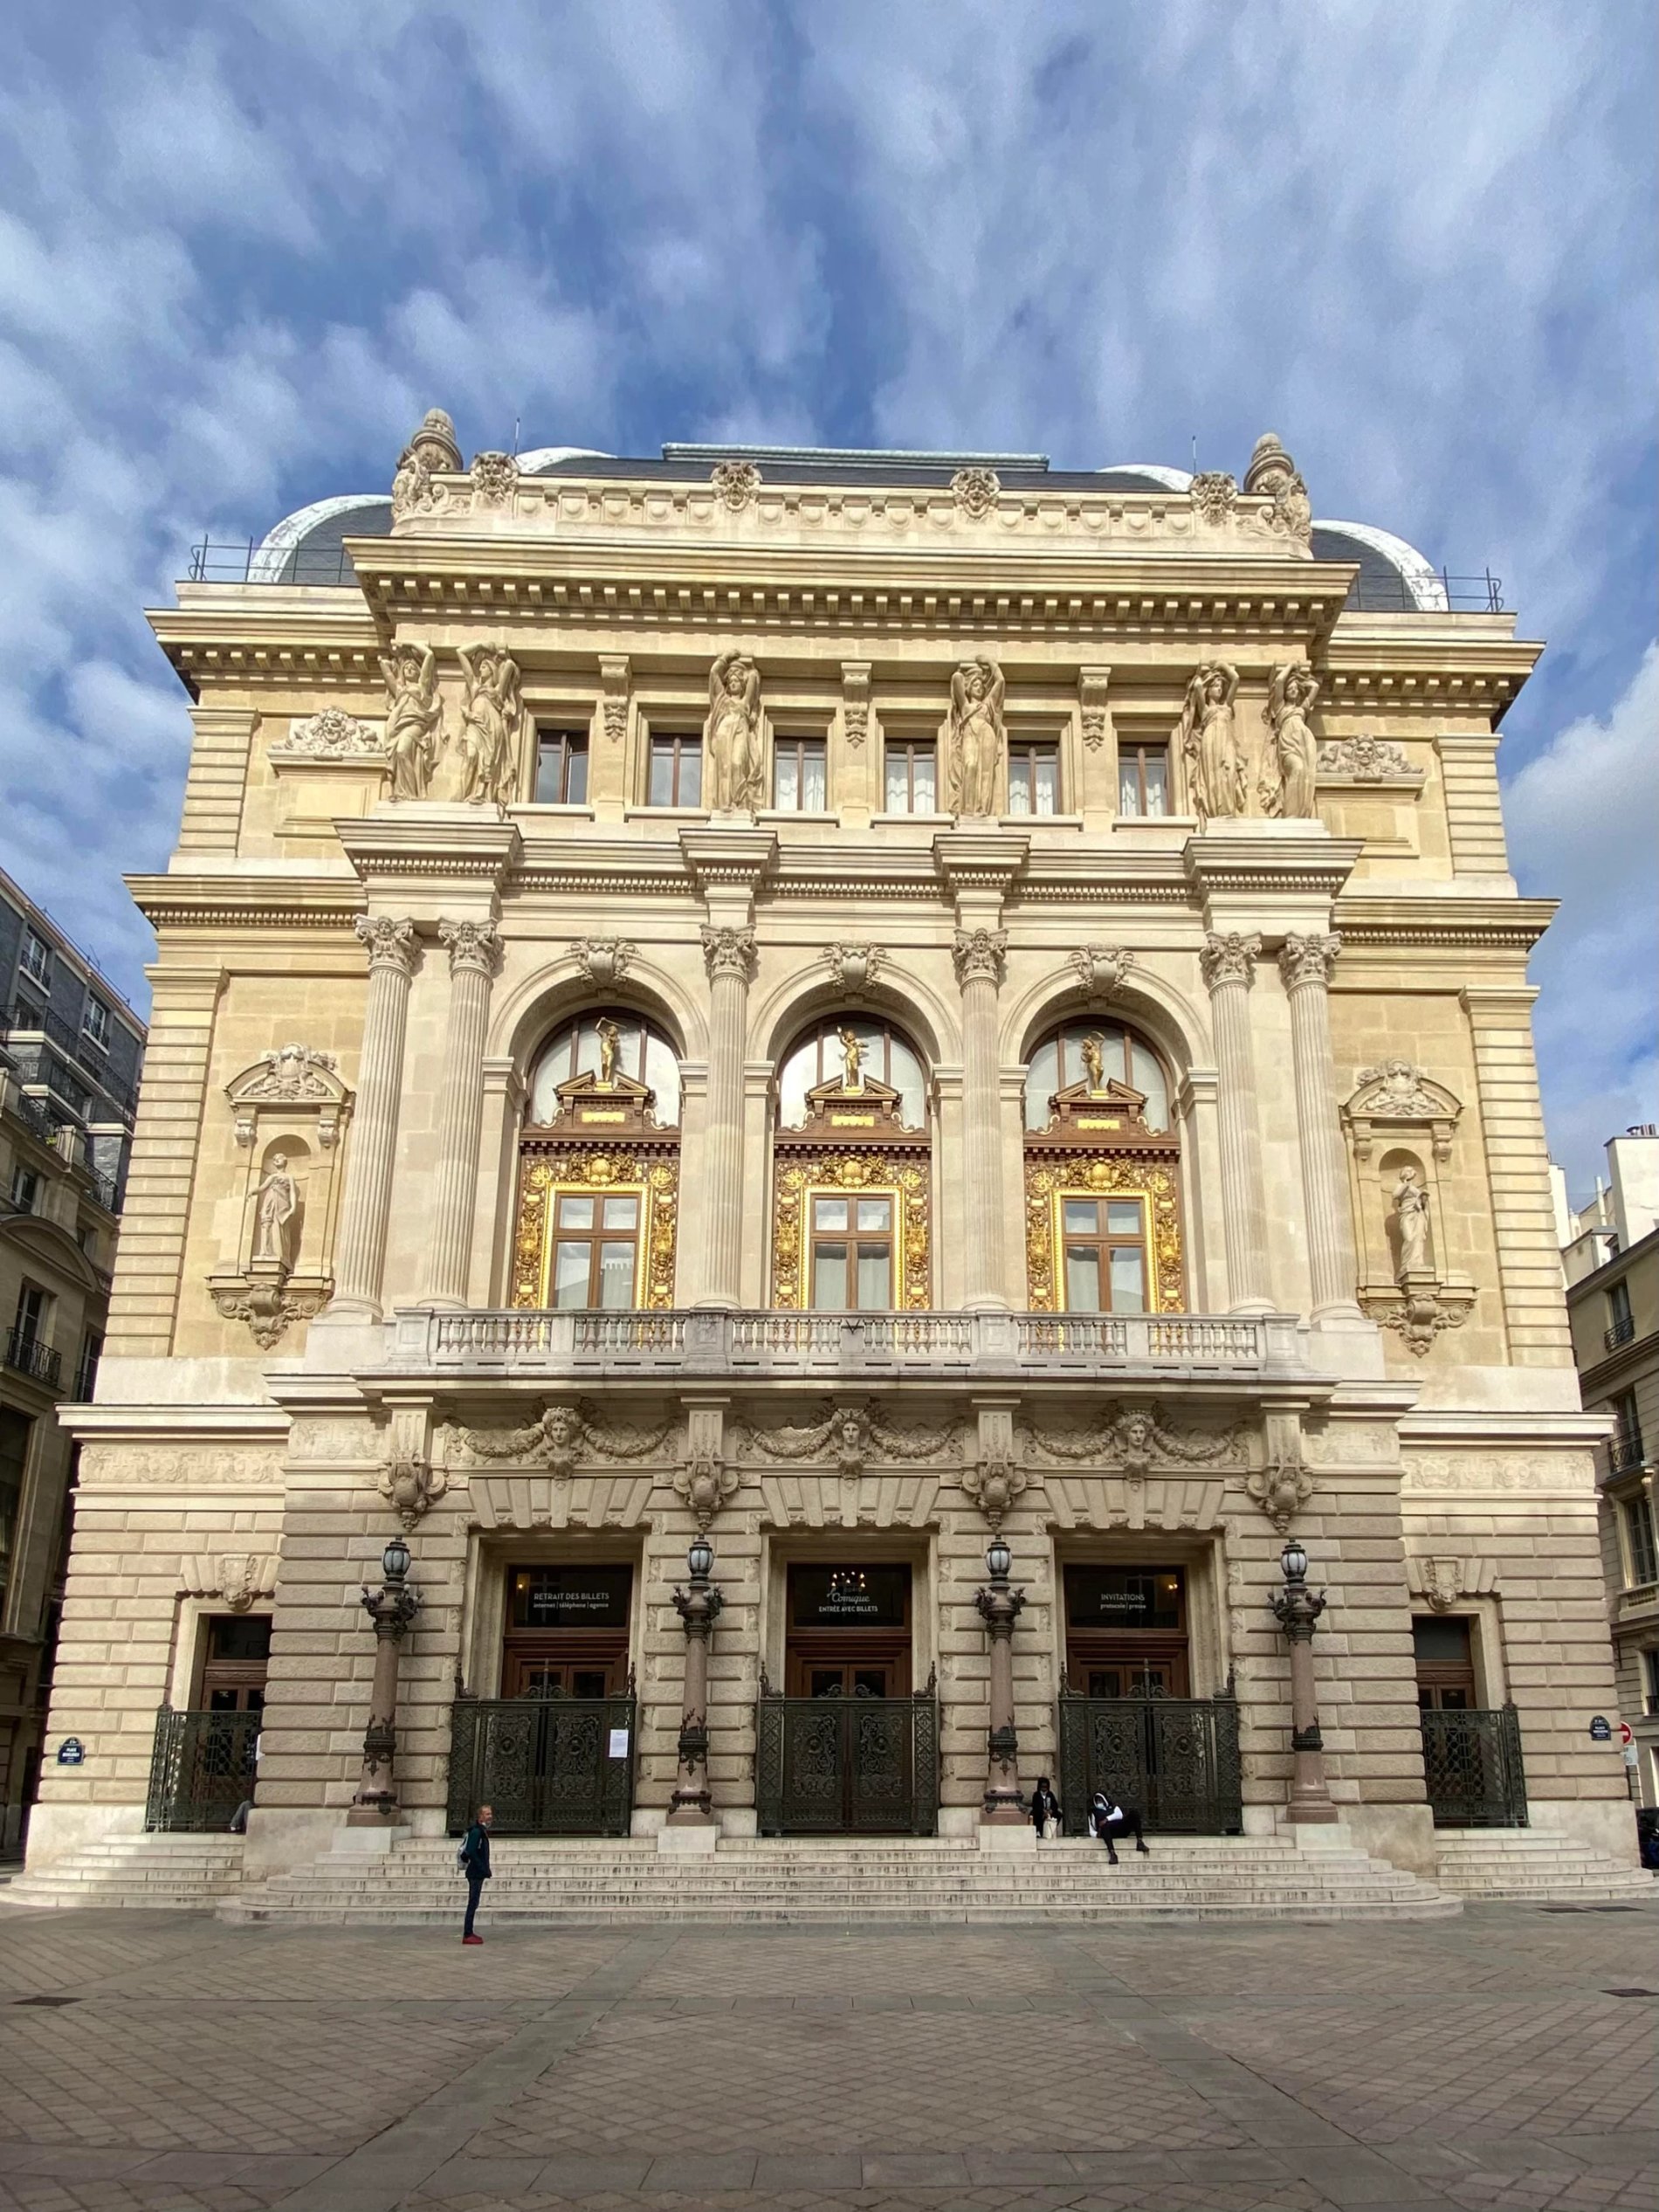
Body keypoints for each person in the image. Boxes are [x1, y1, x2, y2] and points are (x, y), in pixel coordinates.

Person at [458, 1803, 493, 1943]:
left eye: (490, 1814)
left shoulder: (481, 1831)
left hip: (478, 1871)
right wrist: (481, 1867)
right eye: (487, 1814)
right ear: (480, 1817)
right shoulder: (477, 1832)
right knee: (473, 1902)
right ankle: (468, 1934)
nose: (490, 1816)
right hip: (475, 1872)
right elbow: (471, 1851)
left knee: (474, 1902)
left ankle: (469, 1932)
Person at [1089, 1789, 1150, 1865]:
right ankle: (1112, 1854)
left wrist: (1107, 1819)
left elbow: (1119, 1815)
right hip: (1109, 1832)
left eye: (1101, 1799)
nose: (1099, 1802)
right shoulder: (1094, 1813)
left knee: (1134, 1814)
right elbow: (1091, 1829)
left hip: (1120, 1829)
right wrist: (1096, 1834)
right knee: (1105, 1826)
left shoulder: (1114, 1808)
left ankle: (1140, 1842)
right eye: (1097, 1800)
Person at [1030, 1776, 1062, 1841]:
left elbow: (1055, 1805)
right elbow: (1035, 1805)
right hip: (1040, 1812)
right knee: (1034, 1814)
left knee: (1059, 1814)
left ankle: (1052, 1830)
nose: (1044, 1788)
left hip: (1049, 1812)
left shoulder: (1050, 1794)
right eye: (1043, 1787)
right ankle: (1038, 1831)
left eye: (1045, 1787)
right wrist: (1043, 1811)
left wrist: (1051, 1810)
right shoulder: (1036, 1795)